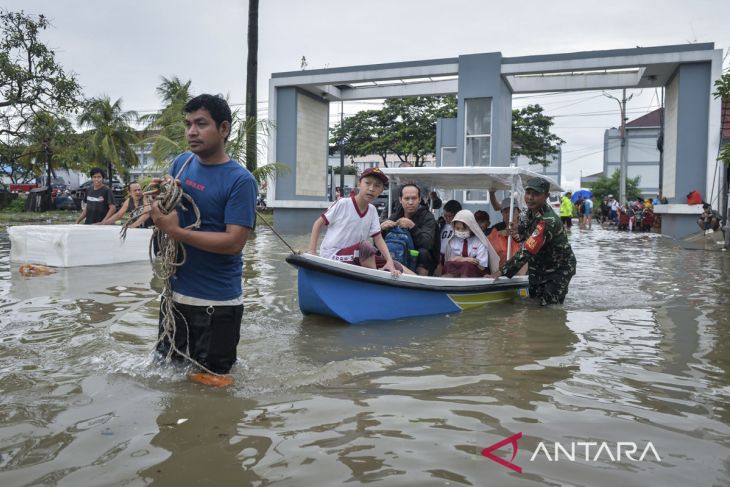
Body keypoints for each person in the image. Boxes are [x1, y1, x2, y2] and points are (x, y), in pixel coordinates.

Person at [148, 94, 258, 376]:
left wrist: (174, 230)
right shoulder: (182, 163)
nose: (192, 132)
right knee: (167, 381)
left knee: (214, 390)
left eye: (201, 124)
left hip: (216, 306)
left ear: (224, 129)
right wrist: (162, 197)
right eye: (188, 124)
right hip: (174, 299)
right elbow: (170, 209)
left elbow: (234, 243)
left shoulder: (240, 181)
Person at [493, 177, 576, 306]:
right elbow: (524, 231)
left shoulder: (548, 220)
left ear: (546, 196)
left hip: (558, 269)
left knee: (549, 308)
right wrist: (517, 229)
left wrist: (501, 271)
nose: (530, 198)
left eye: (536, 194)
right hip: (538, 265)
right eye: (528, 193)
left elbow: (527, 250)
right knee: (534, 303)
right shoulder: (528, 213)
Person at [308, 167, 403, 276]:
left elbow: (378, 238)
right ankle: (374, 281)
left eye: (377, 186)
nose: (371, 189)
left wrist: (389, 261)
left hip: (357, 254)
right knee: (366, 247)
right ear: (359, 184)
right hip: (333, 255)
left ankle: (378, 275)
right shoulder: (343, 203)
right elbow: (318, 224)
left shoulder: (372, 210)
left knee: (396, 267)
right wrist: (312, 252)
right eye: (367, 183)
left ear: (381, 190)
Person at [381, 183, 439, 275]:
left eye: (414, 198)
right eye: (407, 198)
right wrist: (382, 229)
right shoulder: (396, 215)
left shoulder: (428, 217)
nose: (410, 202)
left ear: (419, 199)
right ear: (400, 200)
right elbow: (380, 241)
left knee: (423, 253)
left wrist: (413, 227)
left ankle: (420, 284)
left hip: (421, 262)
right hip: (398, 257)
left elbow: (427, 244)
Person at [442, 210, 495, 278]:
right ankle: (447, 284)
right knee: (449, 265)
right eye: (457, 228)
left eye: (464, 229)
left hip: (475, 273)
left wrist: (459, 260)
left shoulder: (480, 241)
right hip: (455, 272)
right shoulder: (453, 241)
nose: (460, 231)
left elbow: (481, 266)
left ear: (471, 227)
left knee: (467, 266)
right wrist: (465, 259)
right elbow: (449, 259)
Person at [487, 197, 525, 273]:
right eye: (505, 212)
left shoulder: (525, 227)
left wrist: (521, 237)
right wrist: (500, 233)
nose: (509, 215)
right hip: (500, 268)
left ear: (519, 212)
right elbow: (486, 240)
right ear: (502, 214)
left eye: (512, 211)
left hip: (520, 268)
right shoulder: (497, 227)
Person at [436, 199, 462, 275]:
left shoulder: (462, 227)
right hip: (440, 256)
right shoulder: (441, 224)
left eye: (449, 216)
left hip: (454, 257)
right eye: (444, 215)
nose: (446, 218)